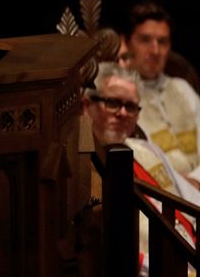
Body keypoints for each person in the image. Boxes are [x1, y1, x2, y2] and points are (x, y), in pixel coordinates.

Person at [81, 62, 200, 276]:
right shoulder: (83, 171)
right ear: (86, 106)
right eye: (113, 103)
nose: (123, 113)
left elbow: (192, 201)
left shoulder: (145, 150)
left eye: (131, 107)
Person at [122, 2, 200, 187]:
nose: (155, 50)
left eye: (162, 42)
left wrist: (196, 180)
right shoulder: (123, 99)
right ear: (127, 43)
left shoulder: (182, 88)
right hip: (161, 195)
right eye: (145, 40)